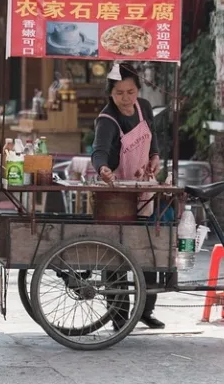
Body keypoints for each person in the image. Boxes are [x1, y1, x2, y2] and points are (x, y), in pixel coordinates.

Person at [91, 63, 164, 330]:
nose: (126, 98)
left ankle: (146, 309)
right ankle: (119, 314)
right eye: (119, 93)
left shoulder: (144, 107)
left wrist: (155, 156)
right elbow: (98, 151)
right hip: (116, 193)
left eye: (130, 92)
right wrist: (103, 169)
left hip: (143, 188)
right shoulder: (107, 119)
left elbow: (152, 137)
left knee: (148, 247)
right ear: (110, 93)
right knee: (116, 254)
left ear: (138, 90)